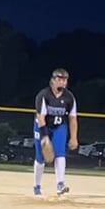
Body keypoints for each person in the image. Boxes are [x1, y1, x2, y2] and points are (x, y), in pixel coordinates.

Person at [33, 68, 77, 197]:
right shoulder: (44, 95)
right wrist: (44, 136)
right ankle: (36, 186)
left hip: (59, 126)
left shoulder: (69, 97)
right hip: (41, 126)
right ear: (52, 80)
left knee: (60, 154)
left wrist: (74, 137)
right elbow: (41, 116)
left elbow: (72, 118)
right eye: (59, 79)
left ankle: (60, 184)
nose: (62, 82)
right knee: (40, 158)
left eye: (64, 80)